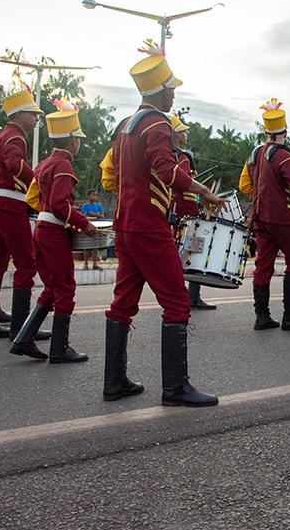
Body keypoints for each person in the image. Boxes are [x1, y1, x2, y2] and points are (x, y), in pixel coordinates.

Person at [100, 40, 224, 406]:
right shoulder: (157, 124)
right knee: (176, 302)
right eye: (171, 89)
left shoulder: (125, 124)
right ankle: (175, 388)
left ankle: (114, 382)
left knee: (123, 302)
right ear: (161, 91)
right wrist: (204, 192)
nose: (174, 96)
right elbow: (167, 170)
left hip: (123, 224)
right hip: (148, 226)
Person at [11, 103, 97, 363]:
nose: (79, 143)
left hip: (41, 227)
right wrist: (84, 223)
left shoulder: (44, 164)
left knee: (52, 287)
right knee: (65, 287)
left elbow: (34, 199)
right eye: (78, 139)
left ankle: (24, 337)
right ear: (72, 141)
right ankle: (59, 348)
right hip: (53, 232)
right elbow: (61, 205)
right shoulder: (64, 166)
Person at [0, 88, 50, 341]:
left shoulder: (0, 136)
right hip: (10, 204)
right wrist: (38, 182)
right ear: (18, 115)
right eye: (32, 114)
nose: (36, 119)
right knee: (26, 263)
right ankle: (21, 330)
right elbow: (15, 165)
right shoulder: (15, 136)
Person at [239, 99, 290, 331]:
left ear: (265, 132)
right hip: (283, 216)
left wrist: (262, 193)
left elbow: (244, 184)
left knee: (263, 263)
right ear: (285, 131)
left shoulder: (254, 155)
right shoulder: (284, 156)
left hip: (260, 216)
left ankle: (262, 316)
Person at [170, 116, 216, 311]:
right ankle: (191, 298)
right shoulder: (182, 157)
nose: (186, 135)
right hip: (186, 214)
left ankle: (190, 296)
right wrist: (203, 193)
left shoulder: (173, 155)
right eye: (183, 132)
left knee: (186, 253)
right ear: (177, 135)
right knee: (194, 253)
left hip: (183, 211)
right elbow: (183, 182)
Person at [80, 189, 105, 271]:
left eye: (96, 195)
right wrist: (94, 215)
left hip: (96, 226)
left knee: (95, 246)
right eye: (93, 195)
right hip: (87, 226)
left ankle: (94, 264)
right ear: (88, 196)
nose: (95, 196)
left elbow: (102, 215)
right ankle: (86, 264)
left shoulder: (99, 205)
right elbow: (84, 216)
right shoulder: (85, 206)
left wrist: (93, 214)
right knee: (86, 246)